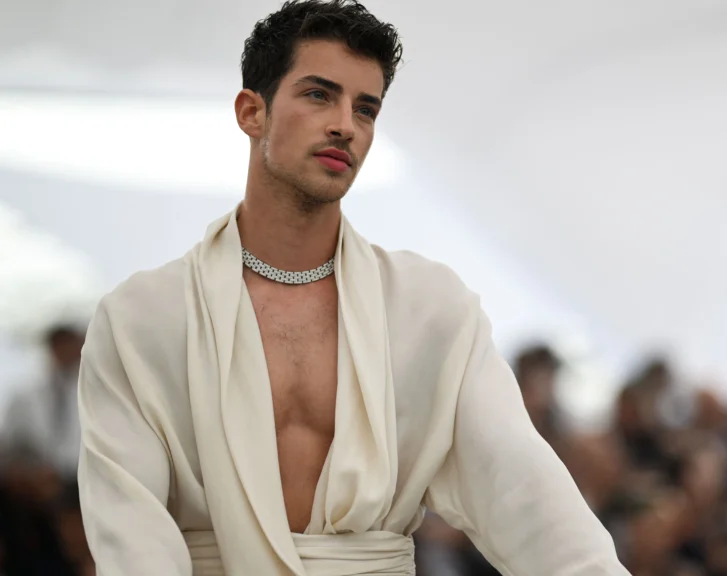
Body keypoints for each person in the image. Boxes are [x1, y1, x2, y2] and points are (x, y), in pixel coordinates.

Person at [76, 1, 627, 574]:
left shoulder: (430, 309)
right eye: (319, 94)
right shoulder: (141, 317)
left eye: (366, 109)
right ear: (251, 112)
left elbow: (528, 498)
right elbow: (133, 541)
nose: (346, 123)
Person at [1, 324, 85, 480]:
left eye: (71, 346)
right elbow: (10, 443)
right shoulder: (24, 394)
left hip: (84, 479)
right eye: (61, 346)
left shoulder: (94, 393)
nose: (66, 352)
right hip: (39, 482)